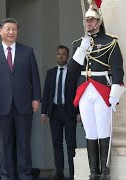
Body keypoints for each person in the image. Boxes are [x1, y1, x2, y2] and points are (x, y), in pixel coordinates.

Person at [69, 1, 126, 180]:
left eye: (92, 20)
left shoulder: (110, 42)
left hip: (102, 89)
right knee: (90, 132)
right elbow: (71, 70)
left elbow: (117, 69)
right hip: (85, 90)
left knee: (103, 131)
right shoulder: (79, 43)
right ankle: (93, 171)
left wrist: (115, 94)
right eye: (87, 20)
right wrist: (81, 49)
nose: (89, 23)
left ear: (99, 22)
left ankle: (105, 172)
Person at [0, 18, 41, 180]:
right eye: (8, 29)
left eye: (14, 29)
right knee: (6, 144)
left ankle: (25, 175)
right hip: (3, 105)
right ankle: (6, 176)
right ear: (0, 31)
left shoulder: (27, 51)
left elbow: (34, 76)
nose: (11, 32)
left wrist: (36, 97)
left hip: (24, 104)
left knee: (24, 143)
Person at [41, 45, 79, 180]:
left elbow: (78, 93)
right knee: (56, 144)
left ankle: (73, 173)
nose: (61, 56)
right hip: (54, 112)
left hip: (69, 112)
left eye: (63, 54)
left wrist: (79, 112)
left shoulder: (73, 73)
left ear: (67, 57)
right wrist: (43, 112)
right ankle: (59, 173)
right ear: (56, 55)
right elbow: (46, 93)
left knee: (71, 144)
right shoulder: (50, 73)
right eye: (59, 54)